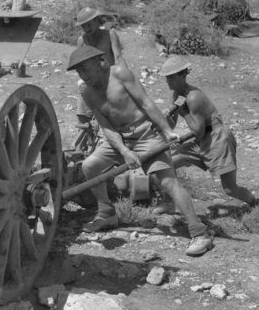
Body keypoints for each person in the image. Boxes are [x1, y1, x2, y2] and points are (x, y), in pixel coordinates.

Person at [66, 45, 214, 257]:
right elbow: (106, 126)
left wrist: (166, 131)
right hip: (118, 138)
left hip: (146, 134)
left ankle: (200, 234)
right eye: (79, 72)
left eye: (85, 69)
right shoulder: (87, 93)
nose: (83, 75)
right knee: (90, 166)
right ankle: (107, 213)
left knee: (167, 182)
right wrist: (125, 151)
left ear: (99, 62)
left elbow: (146, 103)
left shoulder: (120, 74)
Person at [153, 57, 258, 214]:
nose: (168, 81)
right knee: (167, 165)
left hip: (217, 139)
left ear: (183, 75)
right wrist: (164, 124)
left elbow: (199, 130)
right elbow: (172, 124)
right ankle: (169, 203)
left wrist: (184, 113)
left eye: (171, 77)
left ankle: (255, 204)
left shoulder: (194, 97)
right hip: (199, 140)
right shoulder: (176, 95)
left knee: (230, 189)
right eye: (166, 77)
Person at [74, 8, 124, 128]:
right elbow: (79, 65)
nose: (87, 29)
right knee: (83, 117)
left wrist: (123, 77)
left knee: (114, 115)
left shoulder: (110, 35)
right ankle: (83, 141)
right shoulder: (82, 40)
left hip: (109, 81)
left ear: (96, 21)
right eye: (83, 27)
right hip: (90, 83)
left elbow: (118, 57)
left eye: (89, 25)